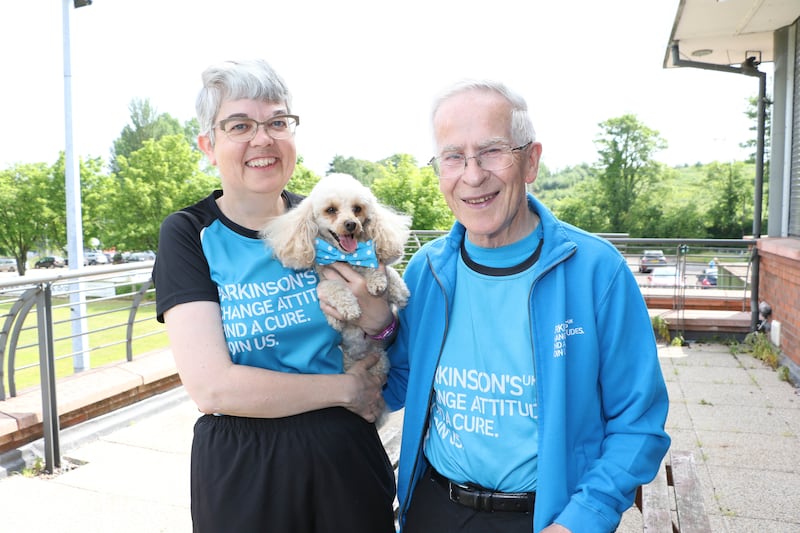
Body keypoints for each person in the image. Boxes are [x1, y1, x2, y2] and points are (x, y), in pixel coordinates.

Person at [383, 80, 671, 532]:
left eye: (493, 151)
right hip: (433, 509)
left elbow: (638, 424)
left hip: (546, 518)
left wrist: (582, 519)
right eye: (453, 157)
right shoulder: (427, 270)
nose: (473, 175)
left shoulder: (597, 271)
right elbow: (394, 381)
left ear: (530, 160)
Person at [152, 59, 396, 533]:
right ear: (209, 145)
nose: (262, 139)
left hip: (345, 455)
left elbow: (384, 329)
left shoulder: (328, 220)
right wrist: (346, 389)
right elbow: (212, 386)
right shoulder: (189, 234)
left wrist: (379, 318)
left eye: (277, 122)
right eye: (239, 125)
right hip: (246, 466)